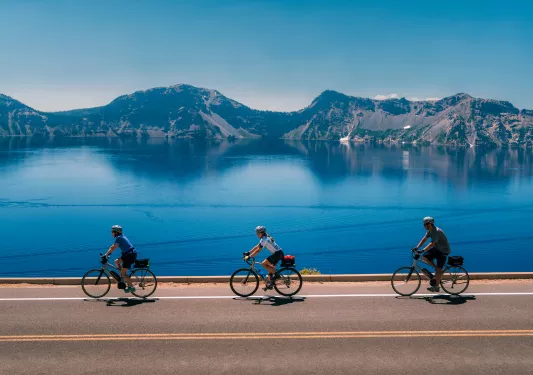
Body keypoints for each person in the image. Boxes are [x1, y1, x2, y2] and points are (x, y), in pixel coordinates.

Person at [413, 217, 451, 292]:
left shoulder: (437, 231)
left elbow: (432, 243)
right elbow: (424, 239)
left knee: (439, 269)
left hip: (443, 251)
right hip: (437, 249)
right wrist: (417, 247)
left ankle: (436, 286)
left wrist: (423, 250)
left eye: (427, 224)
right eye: (424, 224)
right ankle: (436, 269)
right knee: (424, 257)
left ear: (431, 224)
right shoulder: (430, 230)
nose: (425, 226)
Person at [244, 226, 284, 291]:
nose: (256, 234)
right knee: (270, 269)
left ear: (261, 233)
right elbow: (257, 246)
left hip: (277, 254)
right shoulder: (264, 238)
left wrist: (250, 256)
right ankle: (270, 284)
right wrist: (248, 252)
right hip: (278, 253)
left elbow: (258, 250)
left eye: (257, 233)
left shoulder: (265, 239)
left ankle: (277, 275)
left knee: (263, 264)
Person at [103, 225, 137, 293]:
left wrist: (106, 254)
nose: (111, 233)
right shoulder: (121, 236)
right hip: (128, 254)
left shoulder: (119, 238)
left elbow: (113, 247)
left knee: (123, 273)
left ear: (116, 232)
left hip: (129, 255)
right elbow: (114, 247)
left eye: (112, 231)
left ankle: (131, 287)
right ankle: (123, 278)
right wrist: (108, 254)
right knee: (116, 262)